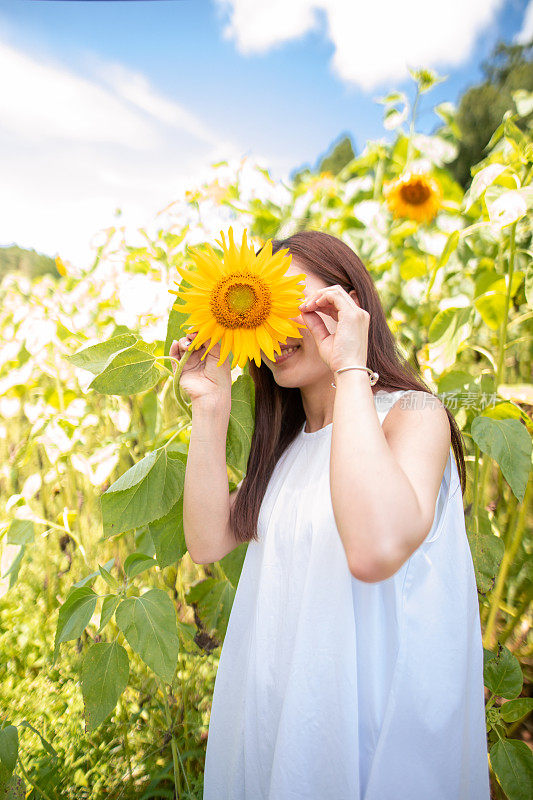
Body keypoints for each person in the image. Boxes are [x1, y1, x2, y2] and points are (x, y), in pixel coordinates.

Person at [170, 230, 491, 800]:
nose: (278, 327)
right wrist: (211, 405)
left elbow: (372, 550)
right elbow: (208, 541)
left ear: (349, 308)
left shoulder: (412, 415)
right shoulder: (290, 445)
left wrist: (350, 367)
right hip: (284, 710)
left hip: (369, 719)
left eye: (303, 305)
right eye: (264, 311)